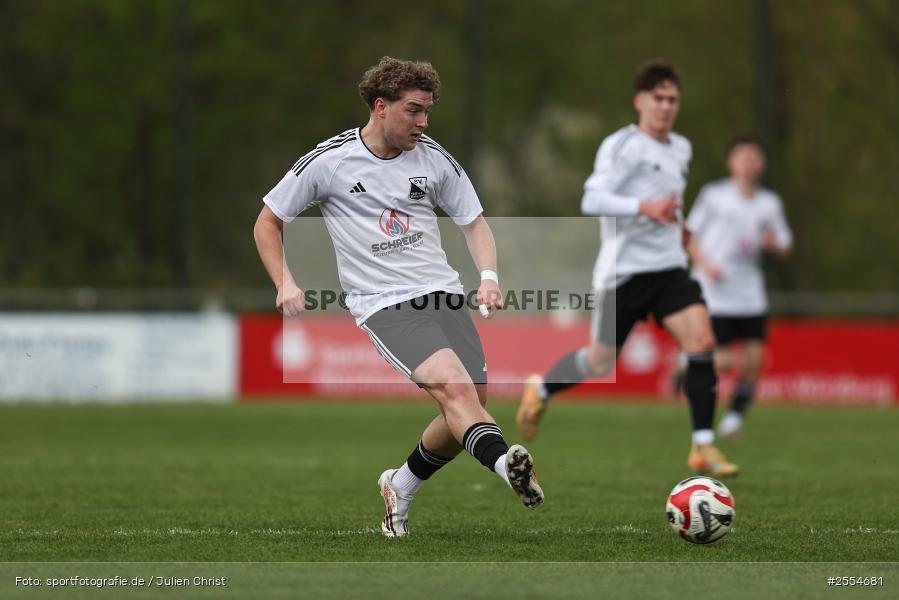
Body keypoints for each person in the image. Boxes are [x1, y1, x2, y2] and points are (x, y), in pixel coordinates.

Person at [254, 57, 544, 537]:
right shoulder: (329, 161)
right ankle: (506, 466)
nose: (423, 122)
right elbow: (267, 221)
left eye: (428, 111)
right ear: (380, 106)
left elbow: (473, 221)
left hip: (443, 295)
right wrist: (284, 281)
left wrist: (488, 275)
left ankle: (401, 484)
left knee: (466, 410)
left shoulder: (433, 158)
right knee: (456, 390)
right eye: (414, 111)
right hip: (383, 304)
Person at [516, 60, 739, 477]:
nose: (666, 106)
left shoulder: (682, 148)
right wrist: (643, 208)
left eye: (673, 99)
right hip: (623, 274)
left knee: (702, 340)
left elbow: (665, 199)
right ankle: (541, 388)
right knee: (601, 362)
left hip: (670, 268)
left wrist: (678, 223)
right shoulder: (623, 146)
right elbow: (591, 200)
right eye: (658, 98)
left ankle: (703, 445)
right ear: (640, 101)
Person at [684, 135, 792, 438]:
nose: (748, 163)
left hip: (750, 292)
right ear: (731, 163)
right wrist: (706, 265)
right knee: (724, 360)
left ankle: (733, 419)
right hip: (714, 291)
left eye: (754, 157)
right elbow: (689, 234)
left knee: (755, 361)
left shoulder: (770, 203)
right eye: (742, 157)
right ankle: (686, 362)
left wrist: (774, 245)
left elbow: (785, 245)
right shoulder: (714, 195)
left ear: (762, 164)